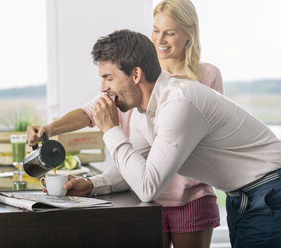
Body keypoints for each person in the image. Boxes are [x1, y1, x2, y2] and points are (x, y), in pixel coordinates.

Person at [47, 29, 281, 248]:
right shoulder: (143, 112)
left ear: (136, 74)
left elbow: (148, 188)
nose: (103, 87)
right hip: (244, 196)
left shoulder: (178, 102)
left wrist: (111, 129)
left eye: (108, 77)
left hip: (269, 189)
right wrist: (90, 185)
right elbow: (135, 170)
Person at [28, 1, 220, 247]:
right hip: (145, 195)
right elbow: (92, 111)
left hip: (192, 195)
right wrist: (50, 129)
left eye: (170, 32)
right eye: (156, 30)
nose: (160, 39)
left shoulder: (205, 76)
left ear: (190, 32)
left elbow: (209, 137)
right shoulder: (138, 77)